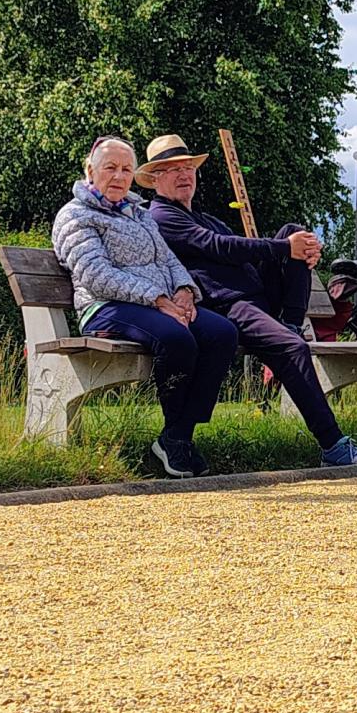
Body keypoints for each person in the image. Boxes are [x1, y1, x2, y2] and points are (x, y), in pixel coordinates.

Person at [141, 134, 357, 467]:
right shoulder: (162, 217)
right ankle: (334, 447)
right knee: (292, 348)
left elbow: (242, 252)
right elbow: (219, 247)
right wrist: (285, 250)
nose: (184, 175)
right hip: (227, 307)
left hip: (255, 297)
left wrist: (299, 250)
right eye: (172, 170)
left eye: (189, 168)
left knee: (293, 230)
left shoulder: (206, 217)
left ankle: (292, 323)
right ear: (154, 179)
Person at [51, 135, 237, 478]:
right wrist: (157, 299)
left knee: (221, 333)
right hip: (105, 307)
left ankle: (178, 436)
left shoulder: (138, 213)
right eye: (110, 168)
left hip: (158, 305)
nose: (119, 176)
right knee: (176, 339)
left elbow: (168, 259)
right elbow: (96, 275)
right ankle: (177, 439)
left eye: (126, 169)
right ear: (90, 171)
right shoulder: (75, 216)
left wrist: (183, 291)